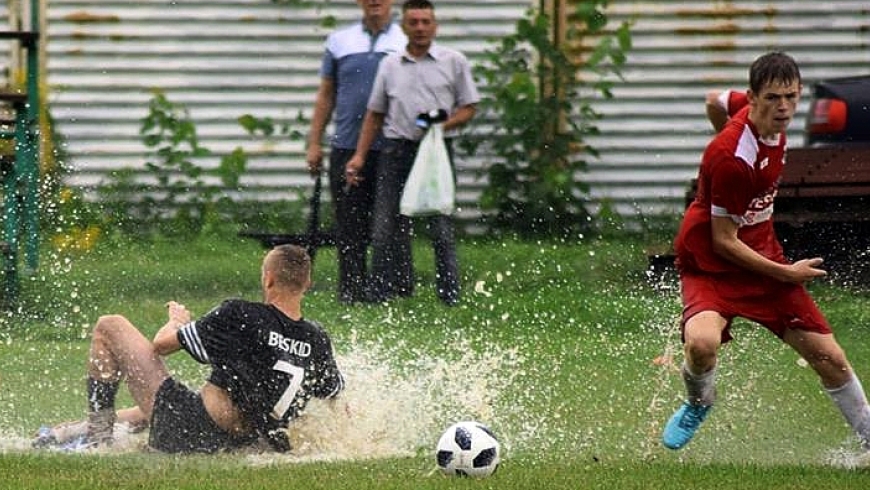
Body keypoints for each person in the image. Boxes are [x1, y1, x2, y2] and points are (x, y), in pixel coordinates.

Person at [662, 51, 870, 457]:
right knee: (702, 344)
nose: (785, 108)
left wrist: (776, 269)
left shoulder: (751, 108)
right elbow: (723, 241)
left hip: (759, 253)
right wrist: (785, 273)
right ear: (755, 97)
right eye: (774, 98)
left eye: (791, 97)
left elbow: (712, 99)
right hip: (711, 262)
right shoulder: (732, 159)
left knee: (829, 357)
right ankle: (699, 402)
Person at [34, 244, 345, 453]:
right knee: (166, 402)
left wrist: (177, 321)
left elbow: (161, 347)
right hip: (245, 440)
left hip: (195, 430)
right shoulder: (317, 339)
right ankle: (67, 432)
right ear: (307, 283)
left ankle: (97, 439)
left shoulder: (241, 313)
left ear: (268, 279)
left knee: (109, 326)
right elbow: (334, 398)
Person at [345, 0, 480, 306]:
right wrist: (360, 156)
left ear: (435, 26)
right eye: (414, 22)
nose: (420, 28)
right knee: (384, 225)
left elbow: (469, 106)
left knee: (440, 223)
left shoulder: (453, 61)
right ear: (403, 26)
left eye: (425, 22)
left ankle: (449, 295)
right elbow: (375, 114)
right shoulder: (391, 64)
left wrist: (442, 124)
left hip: (435, 151)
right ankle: (379, 293)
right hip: (396, 150)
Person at [306, 0, 407, 304]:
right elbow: (326, 94)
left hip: (391, 145)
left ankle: (388, 288)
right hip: (346, 145)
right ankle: (350, 289)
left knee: (390, 222)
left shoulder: (404, 39)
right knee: (349, 221)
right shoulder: (340, 41)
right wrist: (315, 142)